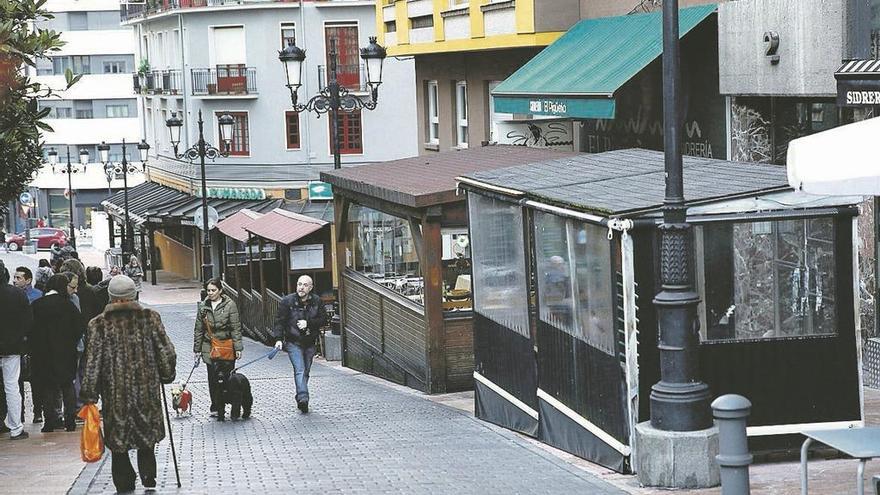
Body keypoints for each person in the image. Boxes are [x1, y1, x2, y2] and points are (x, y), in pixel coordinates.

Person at [80, 275, 176, 492]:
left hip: (115, 396)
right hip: (146, 393)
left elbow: (92, 362)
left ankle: (124, 483)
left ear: (111, 297)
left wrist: (89, 394)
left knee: (118, 443)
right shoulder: (149, 318)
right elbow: (166, 351)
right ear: (133, 295)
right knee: (146, 438)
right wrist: (166, 374)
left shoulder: (98, 324)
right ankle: (149, 478)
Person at [31, 274, 84, 432]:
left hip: (43, 352)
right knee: (67, 385)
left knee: (48, 387)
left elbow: (31, 328)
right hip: (65, 351)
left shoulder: (38, 304)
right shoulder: (68, 305)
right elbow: (79, 327)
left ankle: (49, 422)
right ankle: (70, 421)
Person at [273, 275, 328, 413]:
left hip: (309, 342)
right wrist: (278, 339)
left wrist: (308, 323)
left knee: (306, 371)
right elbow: (280, 321)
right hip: (293, 341)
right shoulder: (287, 302)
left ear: (310, 287)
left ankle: (300, 394)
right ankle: (304, 398)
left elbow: (323, 320)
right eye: (299, 284)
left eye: (304, 285)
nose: (301, 288)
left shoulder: (317, 301)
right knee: (300, 369)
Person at [193, 278, 242, 420]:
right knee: (212, 376)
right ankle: (216, 405)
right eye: (208, 290)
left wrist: (238, 348)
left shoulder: (230, 305)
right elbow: (198, 329)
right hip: (209, 345)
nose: (211, 293)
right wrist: (197, 350)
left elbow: (235, 327)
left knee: (229, 376)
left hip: (226, 345)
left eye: (213, 290)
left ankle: (232, 402)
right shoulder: (203, 307)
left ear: (220, 290)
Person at [0, 261, 32, 440]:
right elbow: (27, 321)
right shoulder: (17, 294)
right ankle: (16, 427)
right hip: (12, 347)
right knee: (12, 386)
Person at [13, 266, 43, 423]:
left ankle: (38, 411)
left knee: (36, 378)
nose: (15, 280)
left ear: (28, 280)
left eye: (19, 278)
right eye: (15, 277)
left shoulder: (37, 296)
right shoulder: (14, 295)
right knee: (17, 380)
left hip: (34, 342)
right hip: (19, 342)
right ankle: (21, 413)